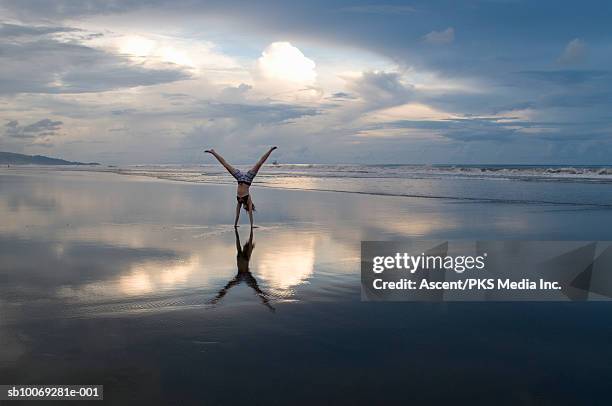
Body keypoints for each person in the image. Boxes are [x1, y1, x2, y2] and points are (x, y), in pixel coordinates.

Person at [205, 147, 277, 227]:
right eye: (247, 207)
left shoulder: (239, 201)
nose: (245, 207)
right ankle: (270, 150)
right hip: (248, 179)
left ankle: (213, 152)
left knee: (226, 165)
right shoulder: (248, 199)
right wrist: (252, 225)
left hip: (239, 178)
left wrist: (235, 224)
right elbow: (250, 214)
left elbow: (237, 214)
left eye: (245, 207)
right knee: (259, 164)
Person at [209, 228, 274, 312]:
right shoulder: (242, 254)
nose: (244, 246)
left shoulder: (243, 254)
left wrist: (237, 235)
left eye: (245, 246)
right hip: (243, 275)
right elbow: (240, 244)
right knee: (255, 290)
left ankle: (216, 299)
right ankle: (216, 299)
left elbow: (242, 244)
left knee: (228, 288)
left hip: (242, 275)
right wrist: (237, 234)